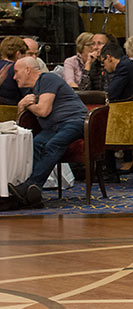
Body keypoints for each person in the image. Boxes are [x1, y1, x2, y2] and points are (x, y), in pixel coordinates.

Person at [8, 57, 89, 208]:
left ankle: (30, 186)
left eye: (16, 72)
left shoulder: (48, 78)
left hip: (74, 121)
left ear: (27, 70)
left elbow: (43, 111)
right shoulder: (33, 89)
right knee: (35, 144)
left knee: (54, 144)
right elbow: (21, 113)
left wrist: (27, 104)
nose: (14, 77)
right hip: (53, 127)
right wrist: (23, 104)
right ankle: (32, 195)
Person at [0, 36, 27, 105]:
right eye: (24, 55)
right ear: (18, 54)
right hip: (13, 111)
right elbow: (26, 94)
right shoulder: (18, 69)